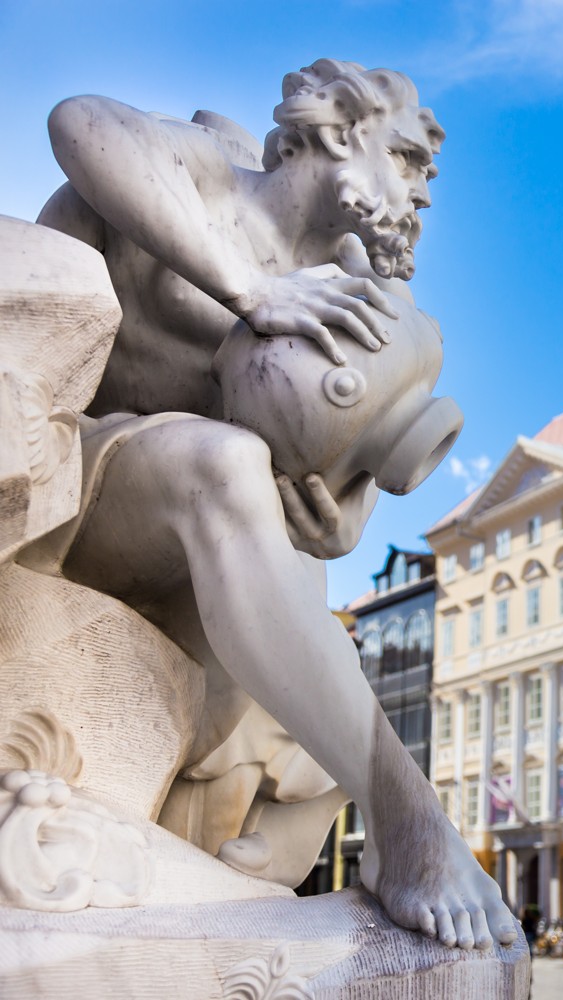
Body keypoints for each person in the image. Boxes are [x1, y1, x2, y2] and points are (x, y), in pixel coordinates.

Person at [31, 59, 512, 952]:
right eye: (406, 159)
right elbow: (79, 120)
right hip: (67, 477)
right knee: (222, 460)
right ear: (335, 131)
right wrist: (253, 292)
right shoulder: (214, 175)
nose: (421, 193)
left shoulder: (359, 290)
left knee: (310, 597)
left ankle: (311, 820)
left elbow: (343, 512)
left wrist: (340, 520)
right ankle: (406, 817)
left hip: (184, 540)